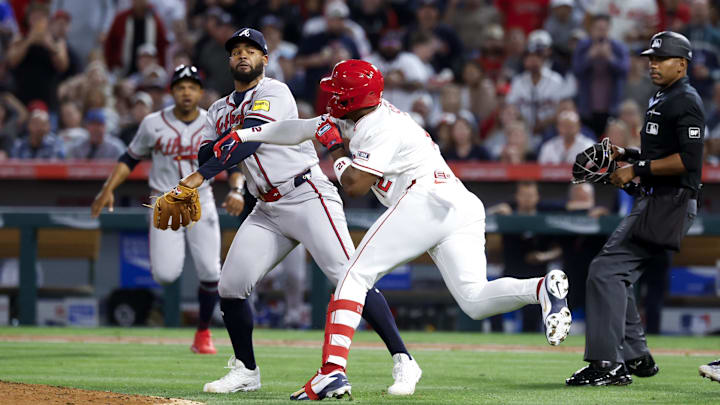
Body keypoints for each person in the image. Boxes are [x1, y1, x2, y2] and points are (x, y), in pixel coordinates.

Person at [220, 59, 572, 400]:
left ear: (352, 98)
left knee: (353, 276)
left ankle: (331, 370)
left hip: (426, 199)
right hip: (457, 205)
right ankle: (541, 289)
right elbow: (299, 127)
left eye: (338, 91)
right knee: (475, 300)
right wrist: (245, 134)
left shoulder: (378, 126)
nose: (331, 96)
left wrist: (336, 150)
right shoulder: (358, 114)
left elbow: (355, 184)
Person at [156, 29, 419, 395]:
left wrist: (198, 176)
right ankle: (246, 371)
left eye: (251, 50)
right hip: (266, 206)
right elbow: (207, 152)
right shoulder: (217, 109)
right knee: (230, 286)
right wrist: (211, 161)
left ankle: (403, 360)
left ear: (265, 59)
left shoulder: (274, 92)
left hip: (307, 193)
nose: (243, 56)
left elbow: (248, 142)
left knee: (350, 277)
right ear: (229, 60)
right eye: (236, 51)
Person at [566, 31, 704, 386]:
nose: (653, 65)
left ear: (682, 64)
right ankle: (636, 356)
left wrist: (636, 170)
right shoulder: (663, 96)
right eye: (651, 59)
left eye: (661, 59)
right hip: (656, 199)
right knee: (614, 274)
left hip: (668, 203)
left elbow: (688, 161)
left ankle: (608, 363)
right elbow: (659, 155)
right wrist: (625, 154)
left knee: (605, 272)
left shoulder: (686, 100)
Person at [90, 65, 231, 355]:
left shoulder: (213, 122)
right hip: (164, 200)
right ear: (172, 92)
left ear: (201, 92)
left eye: (192, 86)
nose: (187, 92)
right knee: (166, 274)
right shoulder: (153, 122)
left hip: (200, 198)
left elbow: (235, 160)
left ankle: (203, 333)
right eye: (181, 86)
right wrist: (108, 187)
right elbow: (129, 158)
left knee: (210, 270)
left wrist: (238, 190)